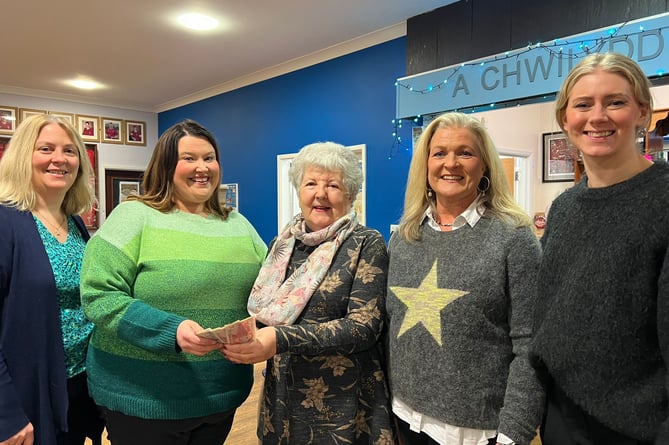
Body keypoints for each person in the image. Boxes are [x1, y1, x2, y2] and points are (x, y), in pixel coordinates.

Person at [79, 119, 267, 445]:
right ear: (166, 166)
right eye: (189, 158)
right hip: (143, 399)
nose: (202, 167)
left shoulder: (238, 224)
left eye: (209, 158)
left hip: (221, 396)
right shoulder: (134, 216)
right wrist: (173, 331)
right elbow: (99, 296)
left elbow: (270, 288)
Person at [529, 53, 667, 445]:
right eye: (583, 104)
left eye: (616, 102)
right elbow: (549, 313)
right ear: (565, 119)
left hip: (635, 428)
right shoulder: (565, 207)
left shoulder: (663, 201)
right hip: (560, 415)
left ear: (642, 112)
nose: (598, 116)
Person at [386, 112, 544, 445]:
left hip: (475, 431)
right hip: (404, 418)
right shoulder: (404, 237)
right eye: (439, 153)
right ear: (425, 165)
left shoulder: (513, 238)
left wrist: (515, 432)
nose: (451, 163)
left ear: (485, 165)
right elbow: (391, 328)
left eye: (465, 153)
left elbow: (531, 346)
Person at [223, 141, 395, 444]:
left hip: (341, 405)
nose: (320, 194)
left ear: (351, 195)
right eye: (311, 183)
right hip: (283, 397)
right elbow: (266, 312)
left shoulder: (366, 243)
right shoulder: (284, 244)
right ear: (298, 190)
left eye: (333, 185)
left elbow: (364, 327)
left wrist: (280, 338)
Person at [0, 114, 103, 445]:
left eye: (70, 151)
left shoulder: (74, 223)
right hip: (26, 392)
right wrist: (6, 413)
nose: (60, 159)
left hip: (77, 386)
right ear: (22, 157)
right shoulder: (6, 222)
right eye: (46, 149)